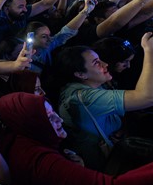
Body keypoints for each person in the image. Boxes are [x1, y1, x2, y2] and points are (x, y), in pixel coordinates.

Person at [0, 92, 153, 185]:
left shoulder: (25, 140)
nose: (60, 120)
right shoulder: (40, 161)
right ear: (32, 123)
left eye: (54, 112)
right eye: (49, 117)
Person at [55, 35, 153, 170]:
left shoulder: (91, 86)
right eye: (96, 62)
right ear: (80, 74)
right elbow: (146, 97)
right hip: (105, 166)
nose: (105, 64)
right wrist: (149, 51)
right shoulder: (84, 98)